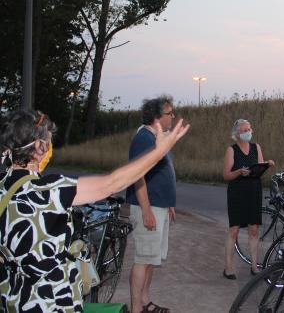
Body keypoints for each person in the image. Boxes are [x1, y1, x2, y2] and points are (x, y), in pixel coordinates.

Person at [0, 109, 189, 312]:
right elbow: (112, 183)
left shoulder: (3, 187)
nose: (50, 147)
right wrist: (158, 152)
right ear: (39, 147)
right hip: (51, 302)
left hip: (14, 299)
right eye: (48, 141)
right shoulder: (50, 190)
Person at [126, 95, 182, 313]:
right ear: (157, 117)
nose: (173, 116)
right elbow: (137, 176)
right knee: (143, 259)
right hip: (147, 208)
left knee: (151, 259)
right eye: (169, 113)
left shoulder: (157, 137)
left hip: (160, 206)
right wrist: (147, 209)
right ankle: (136, 308)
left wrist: (169, 203)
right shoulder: (143, 138)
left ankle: (145, 301)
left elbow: (162, 173)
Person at [223, 119, 274, 279]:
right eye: (244, 130)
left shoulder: (256, 147)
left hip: (254, 190)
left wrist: (266, 165)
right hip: (237, 192)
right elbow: (226, 175)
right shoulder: (231, 150)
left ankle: (254, 266)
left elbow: (258, 169)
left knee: (254, 230)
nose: (248, 132)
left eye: (249, 128)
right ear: (237, 134)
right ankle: (228, 268)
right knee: (234, 230)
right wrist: (238, 172)